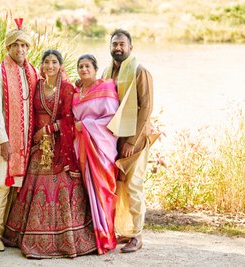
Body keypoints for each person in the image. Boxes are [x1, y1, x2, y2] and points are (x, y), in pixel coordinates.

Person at [3, 49, 97, 258]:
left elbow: (70, 119)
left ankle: (66, 240)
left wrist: (49, 129)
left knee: (61, 187)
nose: (50, 66)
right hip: (38, 147)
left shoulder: (67, 88)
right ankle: (29, 236)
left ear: (60, 65)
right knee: (35, 188)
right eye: (46, 62)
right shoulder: (36, 87)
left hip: (59, 145)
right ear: (42, 65)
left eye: (54, 62)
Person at [0, 18, 38, 252]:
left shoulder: (32, 73)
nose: (20, 50)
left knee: (19, 189)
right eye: (16, 45)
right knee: (1, 188)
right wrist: (4, 141)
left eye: (24, 46)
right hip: (5, 143)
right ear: (8, 48)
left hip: (25, 143)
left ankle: (11, 232)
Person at [102, 29, 154, 253]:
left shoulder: (140, 71)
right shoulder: (107, 72)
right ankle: (124, 230)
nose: (118, 48)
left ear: (131, 48)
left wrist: (132, 140)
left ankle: (137, 235)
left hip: (135, 139)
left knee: (133, 186)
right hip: (113, 139)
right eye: (115, 44)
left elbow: (147, 107)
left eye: (122, 44)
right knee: (119, 187)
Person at [73, 54, 119, 254]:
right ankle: (91, 236)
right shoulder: (76, 92)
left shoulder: (106, 88)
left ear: (95, 68)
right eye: (81, 66)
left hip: (100, 149)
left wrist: (85, 125)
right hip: (81, 148)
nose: (84, 69)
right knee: (84, 191)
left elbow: (112, 120)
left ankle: (106, 236)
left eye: (87, 66)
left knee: (102, 190)